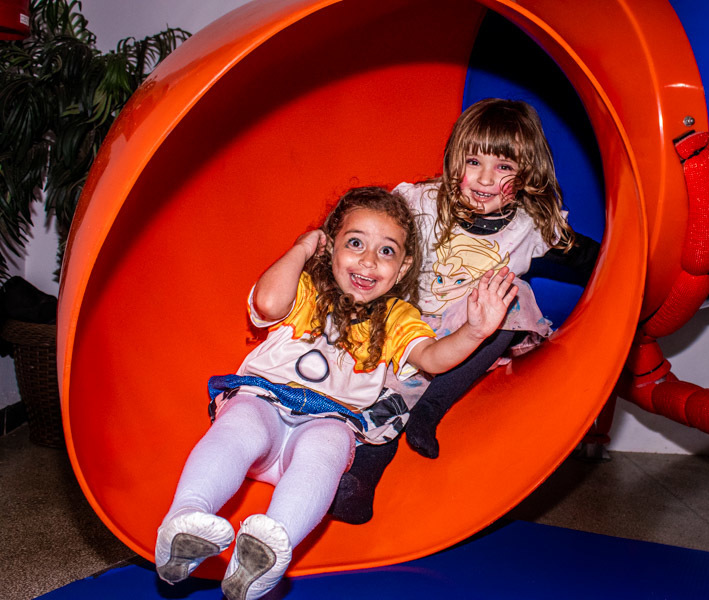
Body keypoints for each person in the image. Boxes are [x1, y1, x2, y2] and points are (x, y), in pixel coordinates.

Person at [154, 186, 518, 600]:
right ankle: (184, 520)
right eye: (355, 243)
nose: (367, 260)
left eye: (386, 251)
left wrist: (474, 330)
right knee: (242, 423)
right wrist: (303, 247)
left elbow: (432, 359)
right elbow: (269, 303)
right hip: (266, 403)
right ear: (331, 250)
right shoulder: (308, 289)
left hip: (329, 420)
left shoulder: (398, 317)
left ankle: (267, 552)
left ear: (402, 269)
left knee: (328, 445)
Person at [331, 98, 600, 524]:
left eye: (504, 167)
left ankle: (432, 408)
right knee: (384, 401)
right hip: (408, 328)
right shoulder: (421, 202)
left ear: (526, 173)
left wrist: (637, 270)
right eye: (473, 161)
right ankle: (359, 482)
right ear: (455, 158)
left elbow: (595, 260)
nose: (485, 179)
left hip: (473, 332)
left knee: (513, 293)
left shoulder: (532, 226)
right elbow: (364, 227)